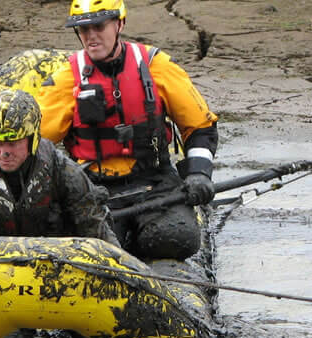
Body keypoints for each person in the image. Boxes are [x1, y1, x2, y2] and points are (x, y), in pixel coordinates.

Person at [36, 0, 219, 261]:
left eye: (98, 26)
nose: (91, 36)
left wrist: (199, 174)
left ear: (120, 24)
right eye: (83, 29)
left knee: (175, 239)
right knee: (98, 252)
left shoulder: (158, 66)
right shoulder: (65, 80)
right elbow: (34, 145)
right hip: (95, 189)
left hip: (156, 184)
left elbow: (200, 127)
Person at [0, 89, 119, 276]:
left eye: (12, 143)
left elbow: (95, 226)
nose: (4, 152)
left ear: (32, 139)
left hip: (54, 270)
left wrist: (118, 267)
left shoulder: (62, 170)